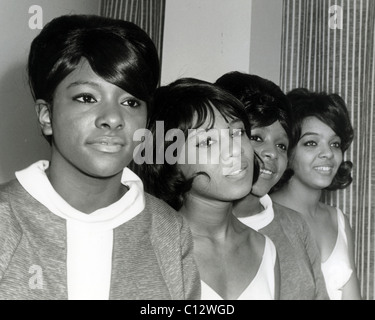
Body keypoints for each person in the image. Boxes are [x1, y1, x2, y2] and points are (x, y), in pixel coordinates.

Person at [0, 14, 200, 300]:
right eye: (87, 98)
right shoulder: (5, 220)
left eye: (131, 102)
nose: (112, 119)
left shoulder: (169, 231)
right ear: (46, 115)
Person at [136, 78, 280, 300]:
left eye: (238, 133)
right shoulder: (151, 248)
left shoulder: (265, 249)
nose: (234, 150)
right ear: (168, 159)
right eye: (207, 142)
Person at [215, 71, 329, 300]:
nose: (272, 153)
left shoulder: (295, 226)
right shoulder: (185, 227)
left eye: (282, 146)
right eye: (257, 138)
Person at [271, 88, 362, 300]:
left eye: (335, 144)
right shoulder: (263, 215)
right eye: (311, 143)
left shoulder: (338, 221)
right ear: (287, 149)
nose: (328, 153)